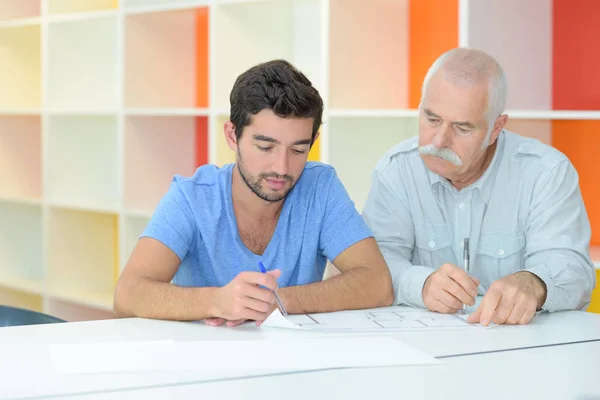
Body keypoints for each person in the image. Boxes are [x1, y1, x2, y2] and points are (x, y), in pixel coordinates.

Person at [114, 59, 393, 326]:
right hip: (206, 359)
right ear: (232, 136)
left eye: (298, 150)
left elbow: (378, 284)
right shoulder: (191, 197)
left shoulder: (321, 187)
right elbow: (127, 294)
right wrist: (216, 300)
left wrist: (277, 301)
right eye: (265, 147)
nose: (281, 168)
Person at [362, 48, 596, 326]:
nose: (438, 141)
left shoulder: (545, 173)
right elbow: (372, 265)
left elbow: (573, 269)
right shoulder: (396, 171)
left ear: (495, 128)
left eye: (462, 128)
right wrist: (421, 283)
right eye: (432, 119)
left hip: (521, 351)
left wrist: (534, 284)